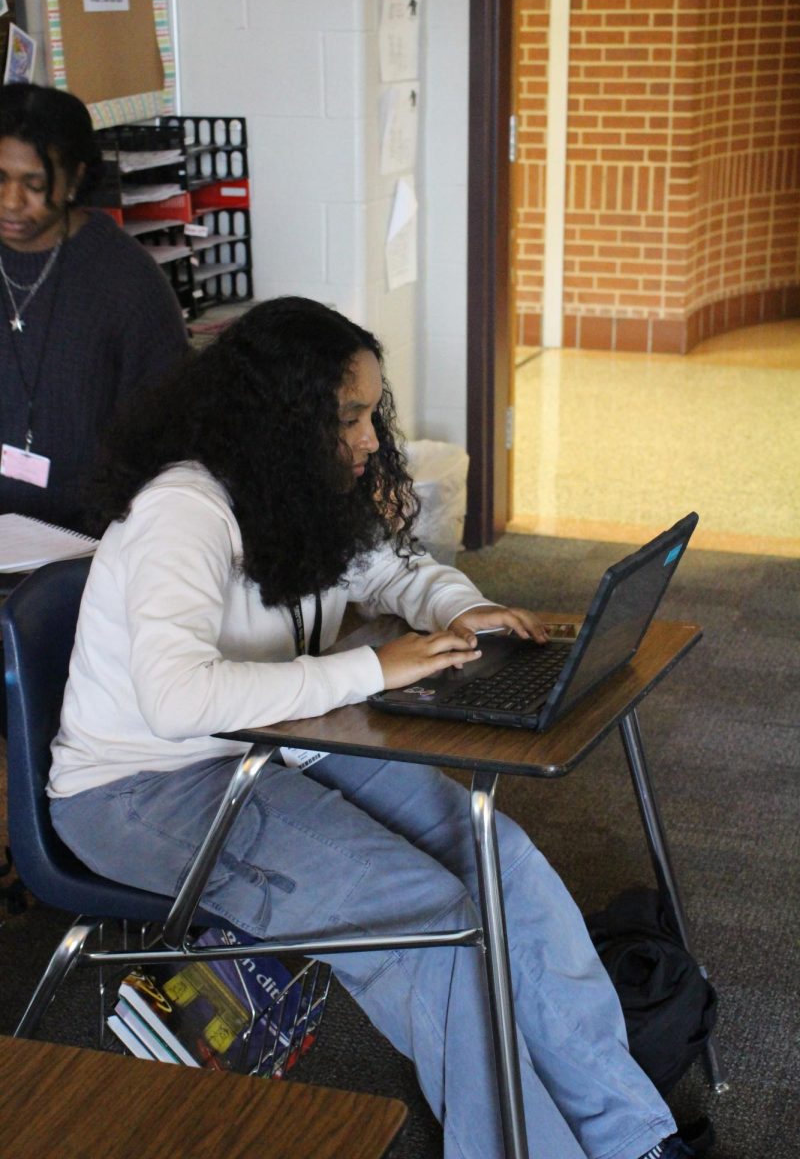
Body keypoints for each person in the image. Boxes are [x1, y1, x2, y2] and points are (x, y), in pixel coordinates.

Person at [48, 298, 700, 1159]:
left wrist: (473, 610)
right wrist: (376, 669)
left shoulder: (297, 490)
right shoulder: (186, 509)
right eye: (349, 416)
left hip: (272, 743)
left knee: (503, 863)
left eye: (368, 412)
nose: (367, 437)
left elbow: (399, 572)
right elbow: (175, 699)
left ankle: (630, 1138)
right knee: (428, 918)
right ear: (283, 418)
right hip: (141, 787)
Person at [0, 83, 188, 534]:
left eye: (35, 184)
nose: (11, 201)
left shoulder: (126, 283)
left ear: (76, 177)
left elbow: (166, 437)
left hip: (87, 544)